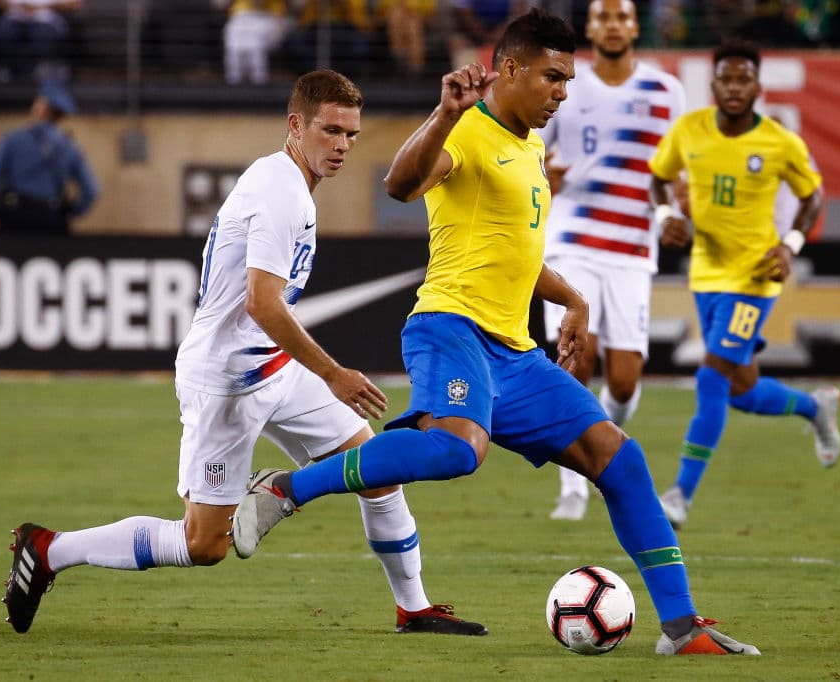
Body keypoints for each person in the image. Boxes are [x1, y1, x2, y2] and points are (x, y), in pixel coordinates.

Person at [232, 10, 759, 656]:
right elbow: (400, 184)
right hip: (449, 328)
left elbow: (517, 252)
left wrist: (574, 302)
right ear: (509, 69)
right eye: (552, 78)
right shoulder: (469, 131)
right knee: (459, 450)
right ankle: (284, 489)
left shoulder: (531, 144)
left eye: (567, 81)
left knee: (619, 459)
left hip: (515, 352)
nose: (562, 93)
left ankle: (681, 626)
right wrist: (446, 112)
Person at [3, 70, 486, 638]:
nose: (342, 146)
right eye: (330, 131)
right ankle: (50, 548)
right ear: (295, 125)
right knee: (203, 544)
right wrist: (333, 374)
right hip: (227, 380)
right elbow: (261, 302)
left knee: (376, 471)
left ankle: (414, 608)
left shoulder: (290, 182)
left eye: (351, 135)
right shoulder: (280, 190)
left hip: (275, 368)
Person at [648, 39, 840, 529]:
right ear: (713, 84)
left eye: (744, 79)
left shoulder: (780, 141)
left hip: (756, 277)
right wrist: (666, 213)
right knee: (741, 388)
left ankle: (679, 495)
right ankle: (814, 408)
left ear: (757, 84)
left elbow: (812, 195)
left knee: (711, 376)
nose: (735, 88)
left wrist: (791, 245)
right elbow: (658, 177)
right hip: (706, 274)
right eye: (726, 79)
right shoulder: (689, 130)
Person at [537, 0, 686, 522]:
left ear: (634, 26)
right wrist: (543, 175)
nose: (614, 25)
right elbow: (532, 148)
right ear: (591, 27)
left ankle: (603, 450)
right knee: (576, 360)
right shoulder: (565, 85)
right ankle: (573, 485)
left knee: (624, 380)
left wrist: (674, 208)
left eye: (622, 16)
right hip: (572, 241)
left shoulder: (666, 91)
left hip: (632, 248)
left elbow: (676, 168)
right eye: (604, 17)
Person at [0, 82, 98, 235]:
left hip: (14, 218)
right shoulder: (70, 147)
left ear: (40, 105)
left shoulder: (12, 139)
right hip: (53, 220)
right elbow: (92, 190)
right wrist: (72, 212)